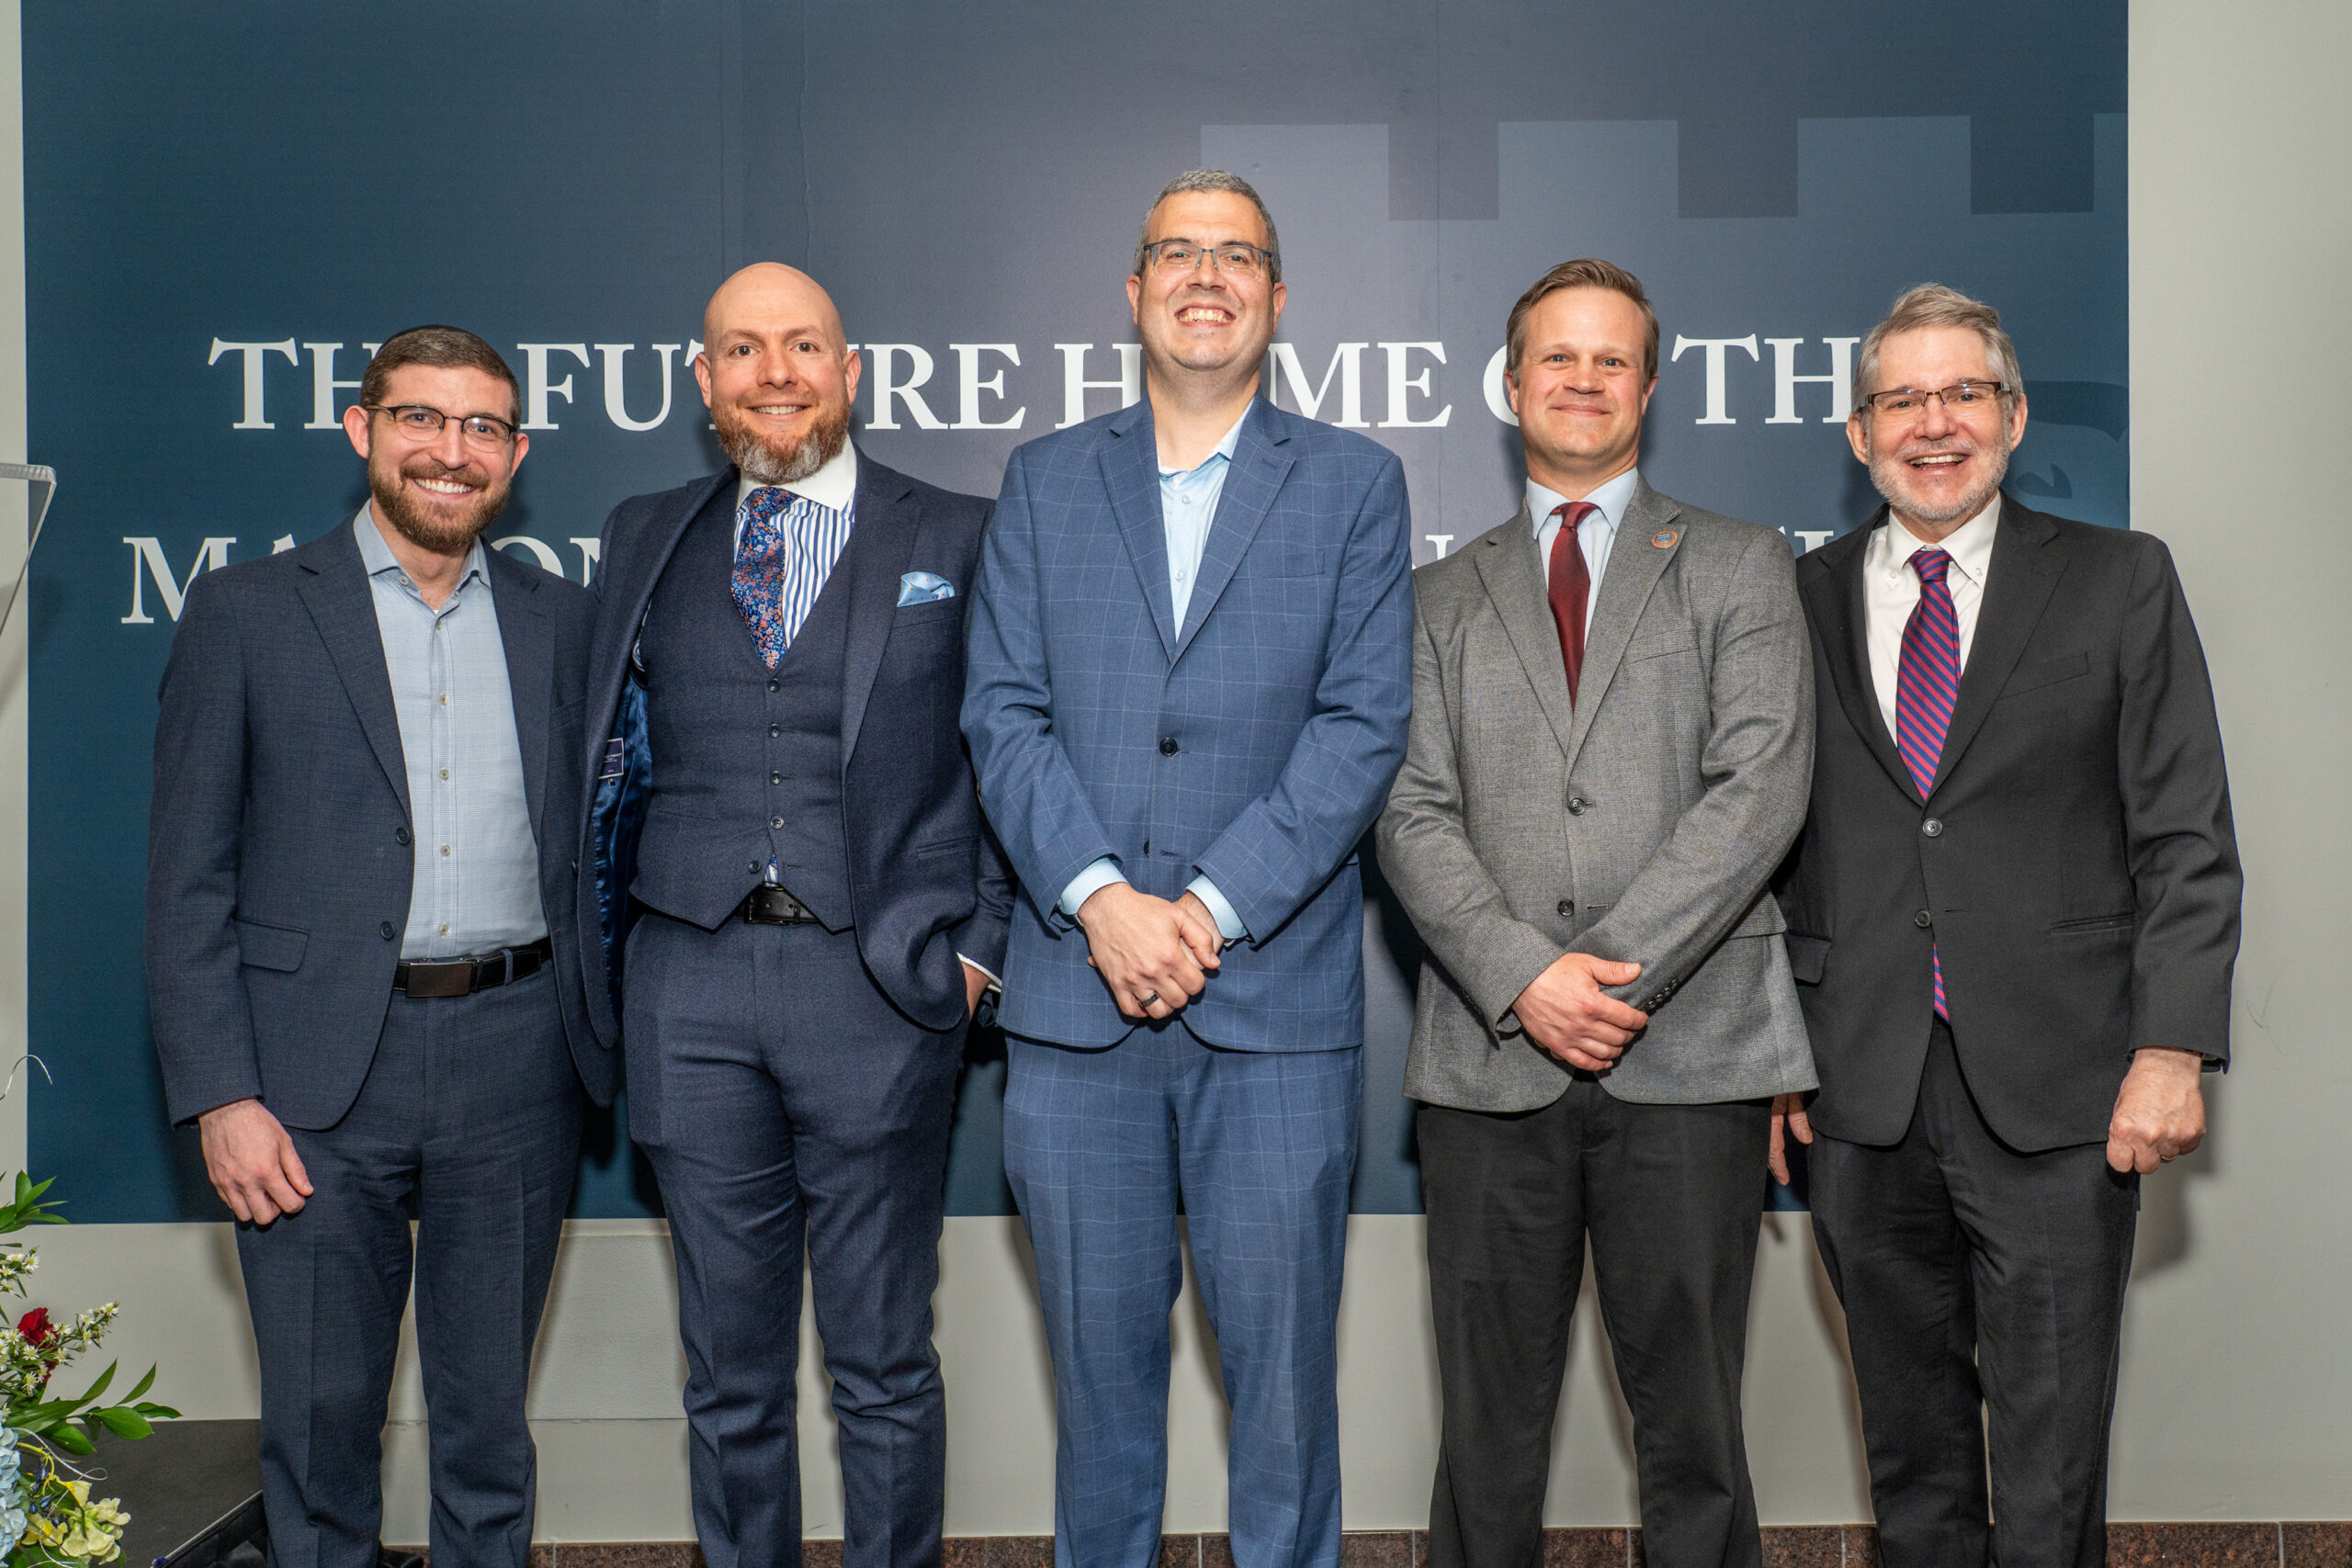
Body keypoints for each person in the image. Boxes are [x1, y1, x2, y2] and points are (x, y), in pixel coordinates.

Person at [961, 169, 1412, 1568]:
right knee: (1101, 1396)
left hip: (1269, 1011)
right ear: (1133, 288)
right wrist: (1100, 902)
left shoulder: (1352, 486)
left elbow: (1361, 728)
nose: (1203, 275)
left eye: (1237, 256)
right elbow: (1003, 708)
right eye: (1176, 252)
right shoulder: (1044, 479)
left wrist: (1201, 914)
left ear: (1277, 297)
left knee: (1283, 1396)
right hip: (1074, 1011)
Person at [1771, 284, 2241, 1568]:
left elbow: (2187, 835)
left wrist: (2172, 1048)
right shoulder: (1786, 599)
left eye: (1964, 393)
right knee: (1911, 1464)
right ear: (1859, 432)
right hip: (1857, 1086)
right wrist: (1768, 1059)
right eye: (1902, 399)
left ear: (2016, 415)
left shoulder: (2119, 581)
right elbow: (1757, 850)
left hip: (2064, 1084)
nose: (1936, 423)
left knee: (2049, 1468)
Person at [1374, 259, 1815, 1568]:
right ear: (1511, 388)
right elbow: (1406, 812)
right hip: (1489, 1058)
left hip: (1689, 1059)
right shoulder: (1433, 599)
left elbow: (1762, 790)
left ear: (1649, 385)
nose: (1581, 378)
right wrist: (1525, 977)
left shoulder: (1740, 567)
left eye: (1609, 358)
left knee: (1695, 1433)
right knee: (1486, 1439)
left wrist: (1602, 977)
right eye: (1555, 358)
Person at [147, 325, 605, 1568]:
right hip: (305, 1081)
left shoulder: (567, 624)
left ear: (516, 452)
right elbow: (189, 883)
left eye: (480, 429)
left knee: (486, 1434)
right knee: (319, 1424)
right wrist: (222, 1097)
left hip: (518, 1059)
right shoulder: (244, 613)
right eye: (420, 420)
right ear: (362, 431)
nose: (448, 453)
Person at [580, 263, 1011, 1568]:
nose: (777, 371)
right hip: (689, 989)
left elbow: (1014, 747)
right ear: (703, 380)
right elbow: (602, 760)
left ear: (849, 371)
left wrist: (981, 943)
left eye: (804, 345)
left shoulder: (958, 534)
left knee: (882, 1360)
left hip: (877, 988)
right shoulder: (642, 531)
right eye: (744, 349)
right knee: (729, 1373)